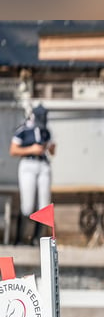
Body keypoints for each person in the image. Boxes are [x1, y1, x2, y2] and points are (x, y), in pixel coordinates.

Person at [8, 103, 55, 245]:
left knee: (44, 205)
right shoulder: (23, 130)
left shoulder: (46, 131)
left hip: (43, 165)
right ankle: (20, 239)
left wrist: (50, 147)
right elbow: (13, 151)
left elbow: (53, 152)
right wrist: (31, 149)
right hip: (28, 164)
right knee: (27, 206)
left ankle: (37, 239)